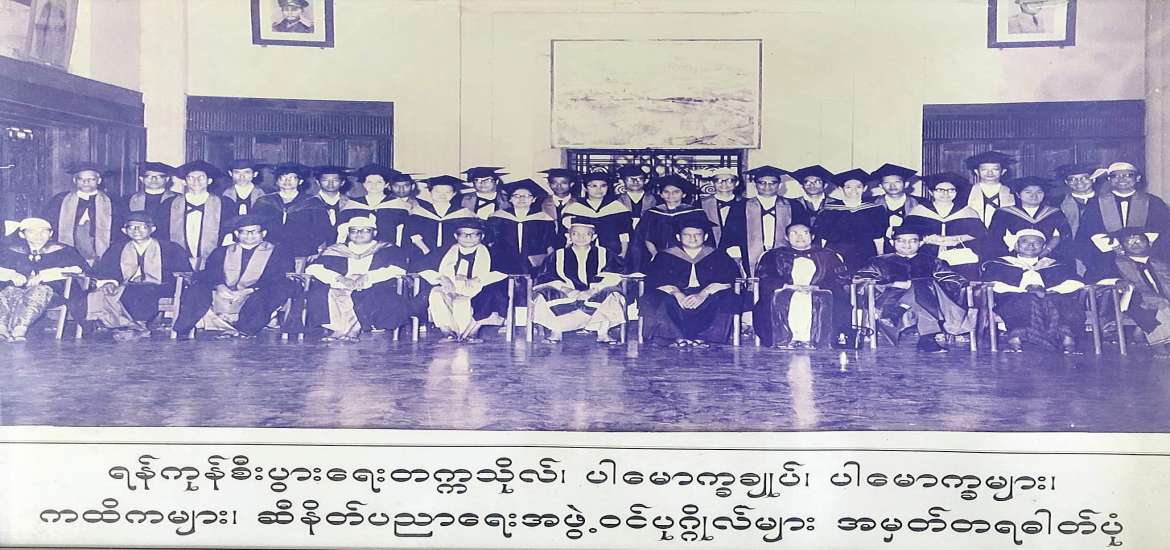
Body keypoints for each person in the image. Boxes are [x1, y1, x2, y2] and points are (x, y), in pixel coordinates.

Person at [171, 215, 296, 339]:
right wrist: (219, 286)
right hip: (224, 292)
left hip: (257, 291)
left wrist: (249, 290)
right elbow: (211, 272)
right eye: (244, 232)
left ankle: (244, 330)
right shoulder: (221, 251)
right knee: (197, 289)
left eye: (255, 231)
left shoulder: (278, 252)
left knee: (272, 292)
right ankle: (184, 328)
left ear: (263, 233)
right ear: (236, 233)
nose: (250, 235)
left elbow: (276, 276)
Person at [853, 226, 973, 352]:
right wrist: (893, 284)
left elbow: (953, 280)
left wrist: (925, 285)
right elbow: (862, 282)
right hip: (890, 301)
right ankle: (927, 339)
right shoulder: (878, 262)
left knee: (922, 285)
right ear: (892, 242)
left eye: (913, 241)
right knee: (922, 286)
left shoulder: (933, 261)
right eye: (901, 241)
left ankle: (901, 310)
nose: (907, 245)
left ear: (920, 243)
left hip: (925, 301)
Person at [304, 216, 413, 342]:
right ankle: (339, 329)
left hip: (374, 284)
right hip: (341, 283)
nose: (359, 234)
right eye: (354, 230)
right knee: (321, 293)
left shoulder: (387, 249)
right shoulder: (336, 250)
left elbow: (398, 269)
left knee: (367, 295)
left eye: (365, 230)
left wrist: (368, 277)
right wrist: (339, 278)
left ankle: (354, 329)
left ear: (374, 232)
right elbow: (313, 268)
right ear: (348, 233)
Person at [85, 212, 189, 341]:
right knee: (104, 292)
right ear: (124, 231)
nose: (136, 231)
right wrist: (110, 282)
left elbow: (183, 271)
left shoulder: (170, 248)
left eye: (142, 227)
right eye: (131, 227)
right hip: (127, 286)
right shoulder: (117, 249)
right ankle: (126, 325)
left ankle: (139, 326)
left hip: (162, 286)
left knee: (141, 291)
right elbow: (107, 271)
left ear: (152, 229)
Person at [640, 218, 739, 348]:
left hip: (708, 294)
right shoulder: (664, 256)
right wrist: (677, 294)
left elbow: (728, 280)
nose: (693, 238)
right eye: (687, 235)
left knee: (728, 298)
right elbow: (655, 280)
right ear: (678, 237)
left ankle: (704, 338)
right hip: (675, 294)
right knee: (652, 298)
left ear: (705, 237)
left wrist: (703, 294)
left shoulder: (718, 255)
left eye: (698, 234)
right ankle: (675, 337)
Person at [982, 230, 1085, 353]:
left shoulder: (1055, 265)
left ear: (1043, 247)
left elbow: (1076, 283)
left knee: (1060, 300)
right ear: (1016, 245)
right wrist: (1023, 290)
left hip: (1049, 299)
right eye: (1025, 241)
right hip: (1012, 299)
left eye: (1037, 242)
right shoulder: (1000, 264)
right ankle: (1015, 340)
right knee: (1022, 300)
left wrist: (1047, 291)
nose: (1031, 245)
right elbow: (990, 284)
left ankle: (1068, 341)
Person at [752, 223, 850, 349]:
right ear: (787, 237)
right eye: (794, 233)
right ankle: (786, 340)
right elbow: (765, 276)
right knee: (784, 298)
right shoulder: (773, 255)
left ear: (812, 236)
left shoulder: (828, 255)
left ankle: (815, 341)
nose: (799, 237)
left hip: (820, 290)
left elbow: (840, 278)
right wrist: (786, 286)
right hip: (785, 289)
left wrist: (818, 287)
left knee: (820, 299)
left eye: (804, 233)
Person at [530, 221, 628, 344]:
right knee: (543, 294)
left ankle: (603, 332)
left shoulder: (606, 254)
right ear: (568, 236)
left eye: (587, 234)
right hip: (566, 293)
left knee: (612, 293)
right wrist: (567, 290)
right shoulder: (557, 255)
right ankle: (556, 331)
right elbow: (546, 276)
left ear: (594, 237)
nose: (581, 237)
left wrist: (593, 290)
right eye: (575, 233)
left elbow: (613, 274)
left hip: (595, 292)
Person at [420, 218, 509, 343]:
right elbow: (421, 267)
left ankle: (469, 332)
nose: (468, 238)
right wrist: (442, 278)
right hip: (449, 289)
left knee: (475, 298)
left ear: (482, 236)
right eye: (463, 234)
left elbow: (503, 272)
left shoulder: (493, 253)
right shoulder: (443, 251)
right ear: (456, 236)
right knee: (436, 293)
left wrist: (477, 279)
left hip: (478, 291)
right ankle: (447, 332)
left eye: (474, 234)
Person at [1077, 162, 1170, 281]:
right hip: (1108, 262)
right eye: (1115, 176)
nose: (1121, 179)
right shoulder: (1096, 204)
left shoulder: (1153, 202)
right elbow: (1085, 234)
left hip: (1149, 259)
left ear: (1137, 178)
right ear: (1109, 180)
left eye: (1128, 175)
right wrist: (1112, 246)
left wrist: (1143, 245)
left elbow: (1164, 231)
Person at [0, 217, 88, 341]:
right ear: (22, 235)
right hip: (17, 292)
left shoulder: (64, 250)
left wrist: (44, 275)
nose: (39, 235)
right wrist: (11, 274)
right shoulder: (12, 251)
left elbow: (78, 269)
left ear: (51, 233)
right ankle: (2, 329)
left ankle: (20, 330)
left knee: (39, 291)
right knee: (8, 291)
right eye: (32, 231)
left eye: (44, 231)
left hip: (54, 294)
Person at [903, 173, 989, 280]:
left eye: (951, 190)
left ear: (956, 192)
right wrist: (926, 239)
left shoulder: (968, 211)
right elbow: (907, 234)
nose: (945, 193)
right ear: (931, 192)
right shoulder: (918, 211)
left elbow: (980, 235)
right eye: (940, 190)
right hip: (926, 256)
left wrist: (955, 239)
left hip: (959, 259)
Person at [1096, 228, 1170, 350]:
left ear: (1149, 243)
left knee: (1162, 302)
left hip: (1164, 296)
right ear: (1122, 246)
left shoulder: (1162, 261)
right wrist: (1118, 281)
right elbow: (1095, 277)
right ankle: (1160, 345)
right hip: (1134, 299)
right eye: (1129, 241)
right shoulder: (1115, 263)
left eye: (1139, 240)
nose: (1135, 244)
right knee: (1157, 305)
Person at [723, 165, 801, 277]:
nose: (767, 186)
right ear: (755, 185)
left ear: (780, 185)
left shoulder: (793, 205)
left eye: (772, 183)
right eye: (762, 182)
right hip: (748, 253)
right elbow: (731, 232)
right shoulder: (741, 206)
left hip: (785, 253)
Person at [159, 161, 231, 271]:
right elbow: (163, 233)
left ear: (209, 181)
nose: (196, 181)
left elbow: (228, 234)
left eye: (201, 177)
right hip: (178, 263)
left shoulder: (224, 203)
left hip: (214, 264)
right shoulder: (170, 204)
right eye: (191, 177)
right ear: (184, 182)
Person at [43, 162, 118, 267]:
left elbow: (117, 229)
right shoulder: (60, 200)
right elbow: (48, 224)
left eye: (91, 179)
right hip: (70, 248)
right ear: (74, 180)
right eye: (81, 179)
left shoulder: (112, 201)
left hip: (100, 252)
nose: (86, 182)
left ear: (99, 180)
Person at [631, 175, 708, 273]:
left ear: (683, 194)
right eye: (666, 192)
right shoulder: (652, 213)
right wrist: (656, 256)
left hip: (687, 257)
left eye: (676, 192)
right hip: (656, 256)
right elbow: (645, 237)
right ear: (661, 194)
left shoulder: (695, 213)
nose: (670, 195)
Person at [814, 169, 884, 271]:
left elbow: (879, 238)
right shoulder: (829, 210)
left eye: (858, 187)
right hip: (835, 254)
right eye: (848, 187)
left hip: (866, 253)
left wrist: (879, 258)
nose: (854, 191)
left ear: (865, 188)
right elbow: (822, 238)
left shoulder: (875, 209)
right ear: (840, 189)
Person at [987, 176, 1071, 259]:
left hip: (1048, 258)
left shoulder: (1055, 213)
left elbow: (1063, 238)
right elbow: (995, 240)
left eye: (1039, 192)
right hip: (1011, 258)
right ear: (1018, 194)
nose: (1034, 196)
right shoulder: (1003, 213)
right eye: (1028, 192)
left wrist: (1046, 253)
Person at [404, 175, 476, 270]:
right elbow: (412, 233)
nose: (442, 195)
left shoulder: (464, 213)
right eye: (437, 192)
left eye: (447, 192)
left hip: (454, 255)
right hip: (423, 254)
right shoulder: (419, 211)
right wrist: (425, 250)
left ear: (454, 193)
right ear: (430, 192)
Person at [487, 179, 557, 275]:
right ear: (510, 199)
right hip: (503, 264)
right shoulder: (497, 218)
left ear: (533, 199)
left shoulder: (544, 219)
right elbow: (491, 243)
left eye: (527, 196)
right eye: (516, 195)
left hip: (534, 264)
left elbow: (550, 246)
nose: (521, 198)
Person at [561, 171, 633, 258]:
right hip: (581, 253)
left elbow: (624, 233)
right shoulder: (575, 208)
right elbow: (568, 235)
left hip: (612, 252)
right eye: (593, 186)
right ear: (585, 188)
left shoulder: (618, 207)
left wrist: (623, 253)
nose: (598, 190)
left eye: (603, 186)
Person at [286, 165, 353, 258]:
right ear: (318, 182)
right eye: (325, 180)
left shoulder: (352, 205)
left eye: (335, 180)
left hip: (345, 256)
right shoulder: (303, 206)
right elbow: (298, 235)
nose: (330, 184)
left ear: (342, 182)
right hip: (311, 256)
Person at [340, 163, 411, 247]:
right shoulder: (352, 205)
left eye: (379, 182)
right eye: (369, 182)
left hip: (387, 250)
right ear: (364, 184)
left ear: (386, 184)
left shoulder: (398, 206)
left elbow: (402, 233)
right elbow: (342, 231)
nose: (374, 185)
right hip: (357, 250)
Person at [253, 162, 316, 253]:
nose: (287, 181)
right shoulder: (264, 202)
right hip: (270, 250)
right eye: (282, 178)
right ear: (276, 182)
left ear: (300, 181)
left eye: (292, 178)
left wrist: (313, 249)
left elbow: (319, 229)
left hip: (302, 250)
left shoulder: (312, 202)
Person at [869, 163, 922, 255]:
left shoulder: (920, 204)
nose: (892, 186)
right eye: (887, 183)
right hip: (878, 251)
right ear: (881, 186)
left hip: (910, 251)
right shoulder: (870, 205)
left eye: (897, 182)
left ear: (906, 184)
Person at [1051, 162, 1102, 249]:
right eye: (1072, 179)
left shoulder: (1107, 201)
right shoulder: (1057, 203)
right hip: (1068, 249)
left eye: (1085, 178)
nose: (1079, 182)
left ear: (1093, 179)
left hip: (1101, 250)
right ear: (1066, 182)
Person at [963, 151, 1017, 227]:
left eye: (995, 169)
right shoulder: (966, 192)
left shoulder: (1012, 192)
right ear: (977, 171)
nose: (990, 173)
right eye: (984, 169)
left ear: (1003, 171)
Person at [698, 167, 743, 247]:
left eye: (729, 180)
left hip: (737, 250)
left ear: (736, 183)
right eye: (718, 180)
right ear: (712, 183)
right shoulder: (701, 204)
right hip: (709, 248)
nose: (724, 184)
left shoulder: (745, 204)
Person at [123, 162, 176, 226]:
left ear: (167, 179)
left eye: (159, 176)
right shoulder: (127, 200)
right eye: (148, 176)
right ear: (141, 179)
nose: (154, 179)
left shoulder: (177, 199)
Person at [616, 165, 657, 230]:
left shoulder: (657, 200)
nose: (635, 182)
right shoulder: (616, 201)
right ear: (623, 181)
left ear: (646, 181)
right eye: (631, 179)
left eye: (639, 178)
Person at [539, 168, 579, 232]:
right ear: (549, 184)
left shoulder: (580, 204)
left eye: (564, 183)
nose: (559, 186)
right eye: (554, 183)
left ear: (571, 184)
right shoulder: (540, 203)